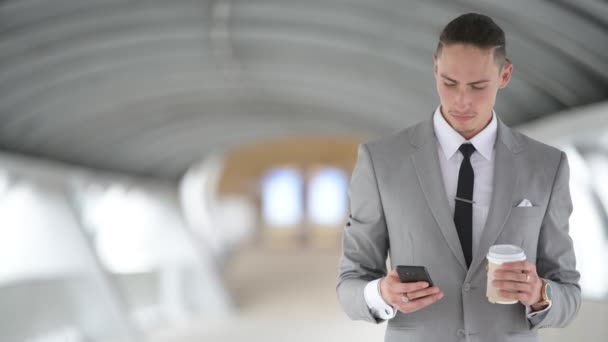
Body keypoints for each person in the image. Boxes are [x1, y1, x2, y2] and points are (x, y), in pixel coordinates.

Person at [336, 13, 581, 341]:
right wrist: (380, 294)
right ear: (435, 68)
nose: (461, 100)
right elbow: (351, 282)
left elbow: (569, 293)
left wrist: (540, 294)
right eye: (449, 83)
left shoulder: (547, 166)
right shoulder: (381, 162)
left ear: (505, 75)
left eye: (478, 86)